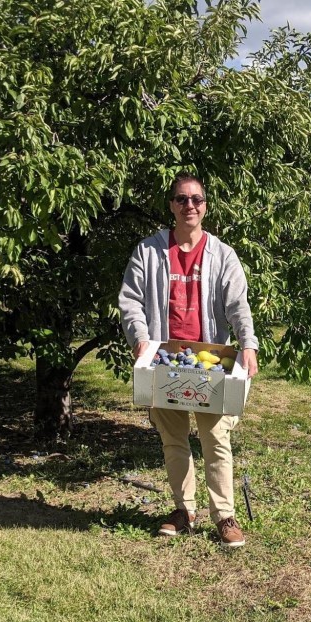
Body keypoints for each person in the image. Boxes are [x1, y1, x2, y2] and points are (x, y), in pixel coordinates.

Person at [118, 172, 259, 548]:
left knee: (216, 439)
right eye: (182, 199)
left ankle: (224, 515)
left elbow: (238, 305)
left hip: (209, 360)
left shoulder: (222, 254)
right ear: (172, 206)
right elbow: (130, 300)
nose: (189, 206)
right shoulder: (148, 251)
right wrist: (140, 340)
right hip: (163, 357)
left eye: (196, 199)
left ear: (205, 206)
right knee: (174, 439)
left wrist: (248, 343)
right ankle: (184, 510)